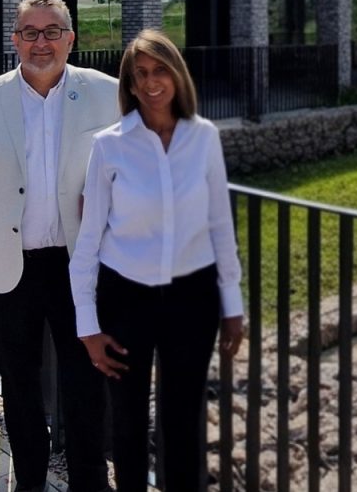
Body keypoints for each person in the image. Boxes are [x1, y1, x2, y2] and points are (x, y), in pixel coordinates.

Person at [0, 0, 119, 492]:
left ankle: (90, 482)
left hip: (81, 267)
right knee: (18, 385)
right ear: (15, 40)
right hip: (6, 268)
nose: (42, 42)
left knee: (87, 382)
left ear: (71, 38)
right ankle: (30, 482)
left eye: (52, 31)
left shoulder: (108, 94)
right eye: (30, 33)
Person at [69, 29, 246, 492]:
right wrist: (87, 326)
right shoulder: (109, 145)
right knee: (127, 421)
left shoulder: (203, 137)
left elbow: (220, 224)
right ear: (129, 84)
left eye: (160, 70)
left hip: (193, 297)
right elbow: (89, 239)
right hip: (125, 297)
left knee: (184, 419)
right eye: (140, 74)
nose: (151, 82)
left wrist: (232, 305)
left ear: (177, 74)